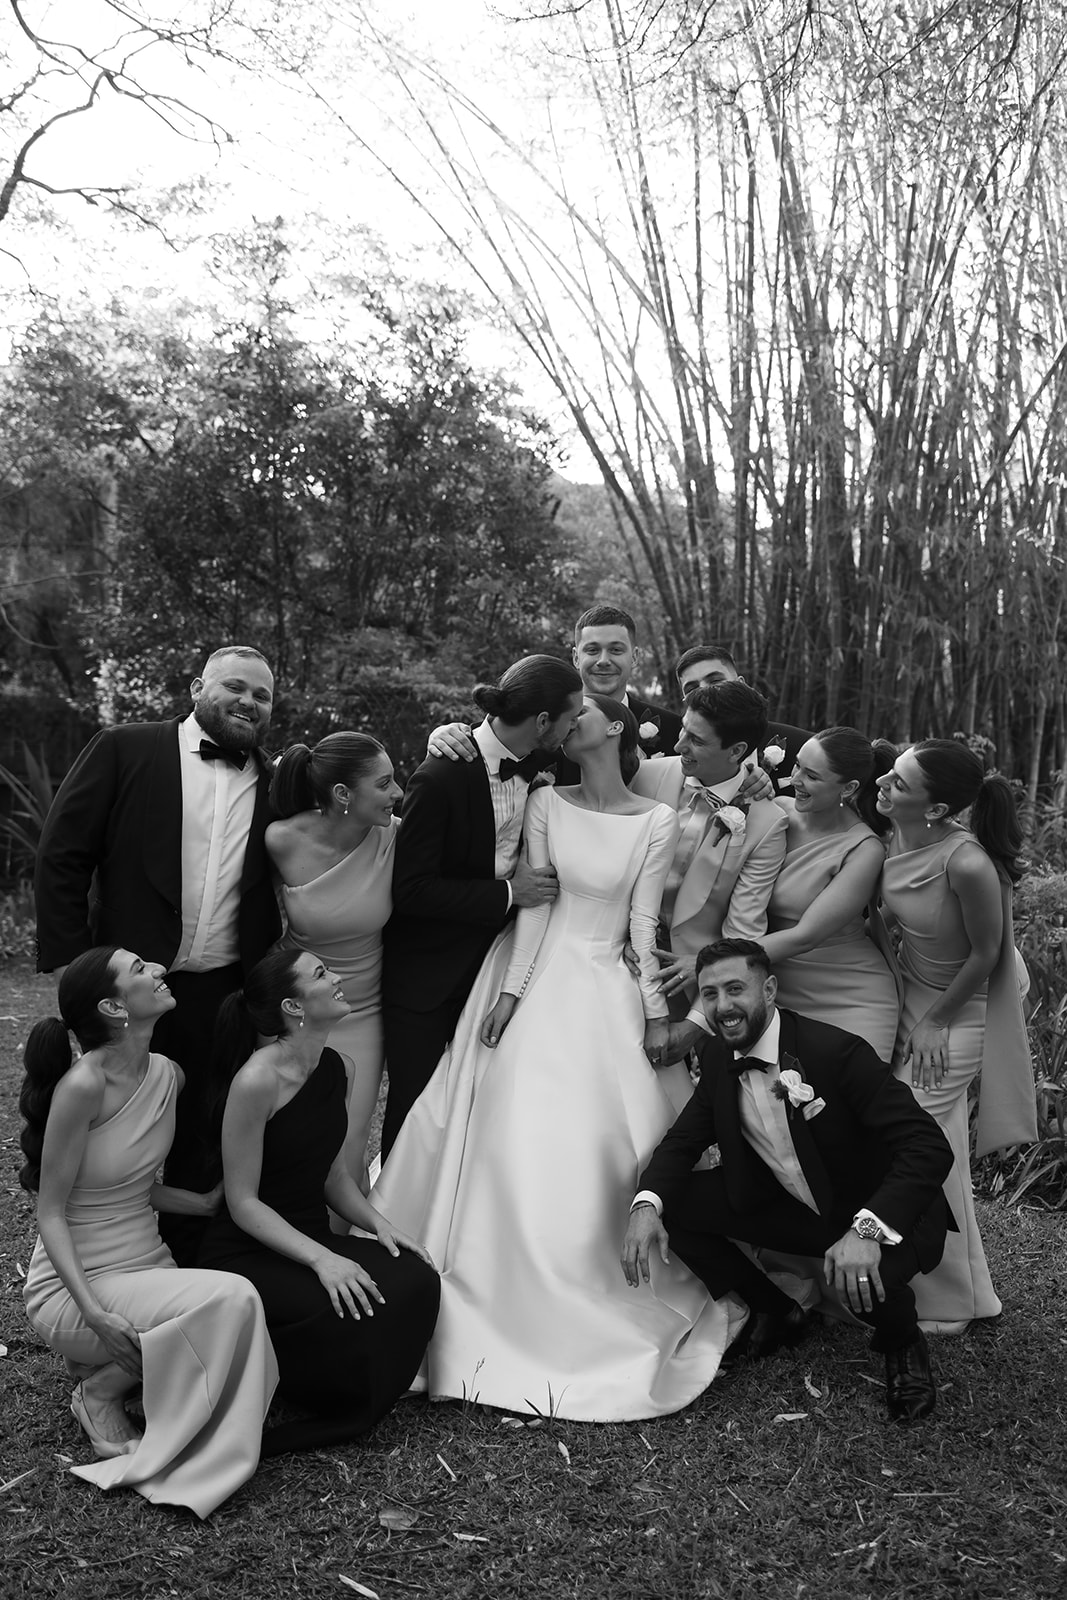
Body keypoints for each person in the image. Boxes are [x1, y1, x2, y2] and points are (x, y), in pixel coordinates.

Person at [372, 696, 737, 1419]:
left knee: (597, 1137)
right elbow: (535, 905)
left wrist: (655, 1015)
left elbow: (641, 923)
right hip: (531, 974)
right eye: (563, 714)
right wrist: (511, 995)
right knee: (507, 1127)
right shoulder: (543, 798)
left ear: (616, 728)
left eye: (584, 713)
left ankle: (596, 1281)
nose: (569, 721)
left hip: (604, 984)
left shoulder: (656, 819)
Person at [622, 939, 954, 1423]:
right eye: (710, 994)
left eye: (735, 989)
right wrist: (645, 1205)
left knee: (866, 1276)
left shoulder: (835, 1052)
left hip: (874, 1211)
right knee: (677, 1204)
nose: (723, 1005)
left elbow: (928, 1145)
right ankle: (776, 1311)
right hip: (791, 1204)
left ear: (770, 989)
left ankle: (903, 1343)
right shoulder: (716, 1057)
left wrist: (867, 1230)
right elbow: (683, 1142)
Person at [34, 645, 281, 1261]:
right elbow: (63, 853)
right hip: (129, 983)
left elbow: (356, 799)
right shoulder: (125, 748)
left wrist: (448, 739)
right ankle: (89, 1258)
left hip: (223, 989)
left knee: (202, 1127)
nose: (248, 702)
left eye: (262, 695)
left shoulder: (277, 781)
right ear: (198, 688)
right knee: (109, 1123)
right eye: (235, 687)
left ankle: (186, 1262)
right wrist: (76, 967)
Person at [20, 947, 277, 1517]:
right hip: (76, 1287)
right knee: (233, 1298)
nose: (159, 970)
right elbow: (52, 1212)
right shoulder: (83, 1086)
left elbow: (129, 1183)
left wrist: (204, 1203)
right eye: (139, 969)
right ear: (114, 1007)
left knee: (225, 1314)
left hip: (146, 1264)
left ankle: (112, 1372)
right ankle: (100, 1391)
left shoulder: (169, 1075)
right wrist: (94, 1314)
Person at [198, 949, 441, 1456]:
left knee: (416, 1278)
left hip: (311, 1235)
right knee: (351, 1308)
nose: (337, 977)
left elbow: (334, 1177)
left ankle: (354, 1389)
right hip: (248, 1249)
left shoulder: (338, 1068)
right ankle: (301, 1385)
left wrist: (380, 1225)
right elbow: (242, 1203)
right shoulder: (256, 1080)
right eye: (321, 974)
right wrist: (323, 1259)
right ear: (293, 1007)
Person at [380, 654, 584, 1156]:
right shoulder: (440, 776)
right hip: (428, 980)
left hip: (494, 971)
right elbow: (412, 889)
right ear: (542, 721)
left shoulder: (546, 761)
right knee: (414, 1112)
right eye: (571, 717)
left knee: (480, 1112)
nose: (575, 726)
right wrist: (512, 893)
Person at [876, 740, 1037, 1332]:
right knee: (937, 1145)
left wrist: (936, 1022)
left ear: (938, 809)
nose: (884, 783)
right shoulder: (896, 833)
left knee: (912, 1140)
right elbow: (895, 912)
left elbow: (986, 954)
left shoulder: (967, 863)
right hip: (917, 993)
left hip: (964, 1006)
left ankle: (940, 1297)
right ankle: (967, 1292)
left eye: (899, 781)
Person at [267, 733, 403, 1189]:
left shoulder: (396, 836)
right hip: (295, 1012)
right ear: (343, 793)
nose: (397, 792)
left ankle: (342, 1230)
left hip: (362, 1012)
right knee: (286, 1139)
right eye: (383, 784)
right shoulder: (280, 839)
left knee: (346, 1148)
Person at [629, 682, 788, 1058]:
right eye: (683, 729)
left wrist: (694, 1025)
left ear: (737, 751)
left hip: (694, 983)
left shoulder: (767, 823)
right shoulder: (644, 776)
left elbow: (743, 931)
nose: (679, 745)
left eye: (696, 740)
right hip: (620, 961)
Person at [759, 728, 900, 1062]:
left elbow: (805, 936)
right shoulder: (776, 811)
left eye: (811, 776)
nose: (795, 779)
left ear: (848, 788)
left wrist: (715, 960)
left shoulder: (864, 849)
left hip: (850, 1001)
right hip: (776, 992)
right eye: (796, 766)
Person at [675, 644, 810, 783]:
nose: (704, 691)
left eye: (715, 681)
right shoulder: (676, 750)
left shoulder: (801, 747)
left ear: (741, 684)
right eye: (692, 689)